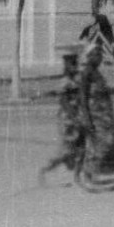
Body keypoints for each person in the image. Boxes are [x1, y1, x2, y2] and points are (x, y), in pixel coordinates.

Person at [76, 43, 114, 183]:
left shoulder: (96, 72)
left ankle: (91, 174)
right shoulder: (87, 73)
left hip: (104, 118)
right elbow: (82, 97)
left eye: (101, 55)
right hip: (95, 117)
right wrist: (87, 118)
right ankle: (88, 175)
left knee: (106, 145)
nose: (100, 58)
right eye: (98, 54)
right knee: (98, 145)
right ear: (90, 56)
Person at [40, 52, 86, 185]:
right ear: (66, 66)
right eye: (72, 65)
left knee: (82, 147)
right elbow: (64, 102)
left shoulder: (76, 79)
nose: (75, 67)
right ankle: (45, 170)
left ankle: (78, 177)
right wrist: (75, 117)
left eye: (76, 64)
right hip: (67, 120)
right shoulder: (64, 82)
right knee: (66, 152)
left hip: (77, 117)